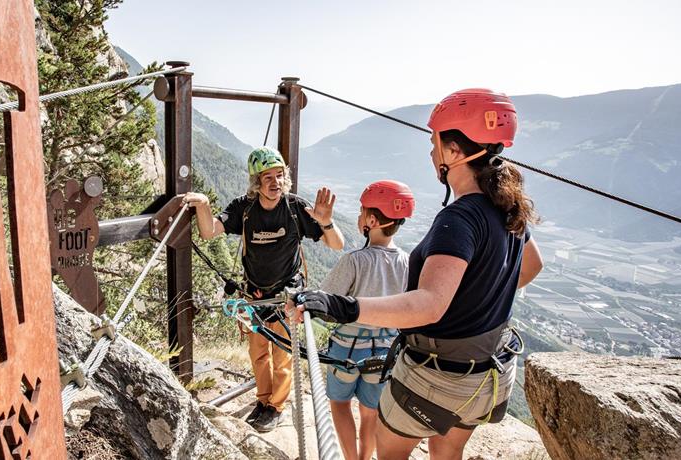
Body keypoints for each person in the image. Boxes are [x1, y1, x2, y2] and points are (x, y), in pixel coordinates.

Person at [287, 89, 544, 460]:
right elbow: (531, 266)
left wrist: (342, 307)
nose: (430, 151)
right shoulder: (507, 206)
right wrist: (472, 300)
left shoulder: (458, 219)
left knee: (389, 451)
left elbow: (428, 305)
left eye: (434, 141)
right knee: (447, 449)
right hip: (489, 373)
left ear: (454, 152)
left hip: (437, 376)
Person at [184, 146, 345, 432]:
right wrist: (203, 203)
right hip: (255, 294)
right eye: (267, 177)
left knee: (282, 354)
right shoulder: (243, 209)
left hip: (286, 296)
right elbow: (209, 232)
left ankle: (276, 406)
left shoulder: (295, 209)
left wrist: (326, 222)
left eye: (279, 175)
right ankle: (263, 400)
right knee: (259, 353)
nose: (275, 182)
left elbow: (337, 245)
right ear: (256, 182)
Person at [320, 180, 415, 460]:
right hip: (385, 353)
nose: (359, 216)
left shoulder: (355, 261)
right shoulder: (408, 263)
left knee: (339, 404)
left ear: (372, 220)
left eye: (362, 212)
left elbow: (325, 303)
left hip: (346, 350)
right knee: (370, 410)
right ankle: (364, 458)